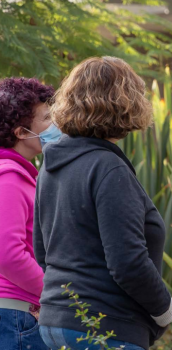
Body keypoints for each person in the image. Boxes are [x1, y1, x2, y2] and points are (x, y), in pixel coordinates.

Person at [34, 56, 172, 350]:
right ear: (126, 103)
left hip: (55, 322)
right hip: (104, 326)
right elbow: (127, 262)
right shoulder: (108, 168)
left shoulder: (51, 166)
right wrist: (165, 310)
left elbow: (43, 252)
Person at [0, 77, 59, 350]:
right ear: (22, 132)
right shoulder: (9, 178)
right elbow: (8, 254)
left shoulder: (18, 174)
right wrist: (53, 292)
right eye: (47, 118)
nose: (56, 124)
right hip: (14, 316)